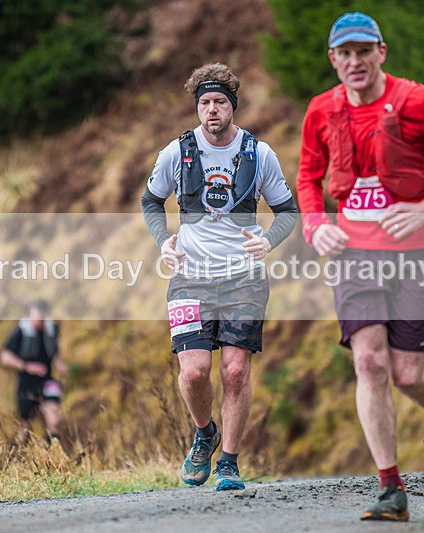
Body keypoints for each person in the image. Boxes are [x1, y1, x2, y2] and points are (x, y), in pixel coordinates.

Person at [295, 12, 424, 521]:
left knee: (406, 373)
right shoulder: (321, 110)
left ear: (382, 51)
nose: (355, 62)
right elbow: (308, 178)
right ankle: (391, 489)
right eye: (345, 53)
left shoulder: (420, 102)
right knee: (370, 362)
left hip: (416, 251)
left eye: (364, 51)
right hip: (353, 253)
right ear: (333, 59)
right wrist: (316, 226)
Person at [141, 63, 299, 491]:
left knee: (234, 371)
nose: (212, 110)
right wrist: (164, 242)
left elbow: (289, 212)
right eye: (205, 102)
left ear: (233, 107)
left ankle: (228, 462)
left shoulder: (258, 152)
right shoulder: (176, 152)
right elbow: (151, 202)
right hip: (190, 275)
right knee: (193, 373)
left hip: (243, 278)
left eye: (220, 102)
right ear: (197, 107)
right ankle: (204, 433)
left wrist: (268, 242)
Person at [0, 299, 67, 446]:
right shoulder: (21, 330)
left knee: (54, 419)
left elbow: (54, 351)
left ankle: (53, 456)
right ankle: (16, 460)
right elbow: (4, 357)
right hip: (26, 383)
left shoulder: (51, 330)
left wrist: (59, 363)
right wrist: (26, 366)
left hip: (47, 381)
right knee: (25, 427)